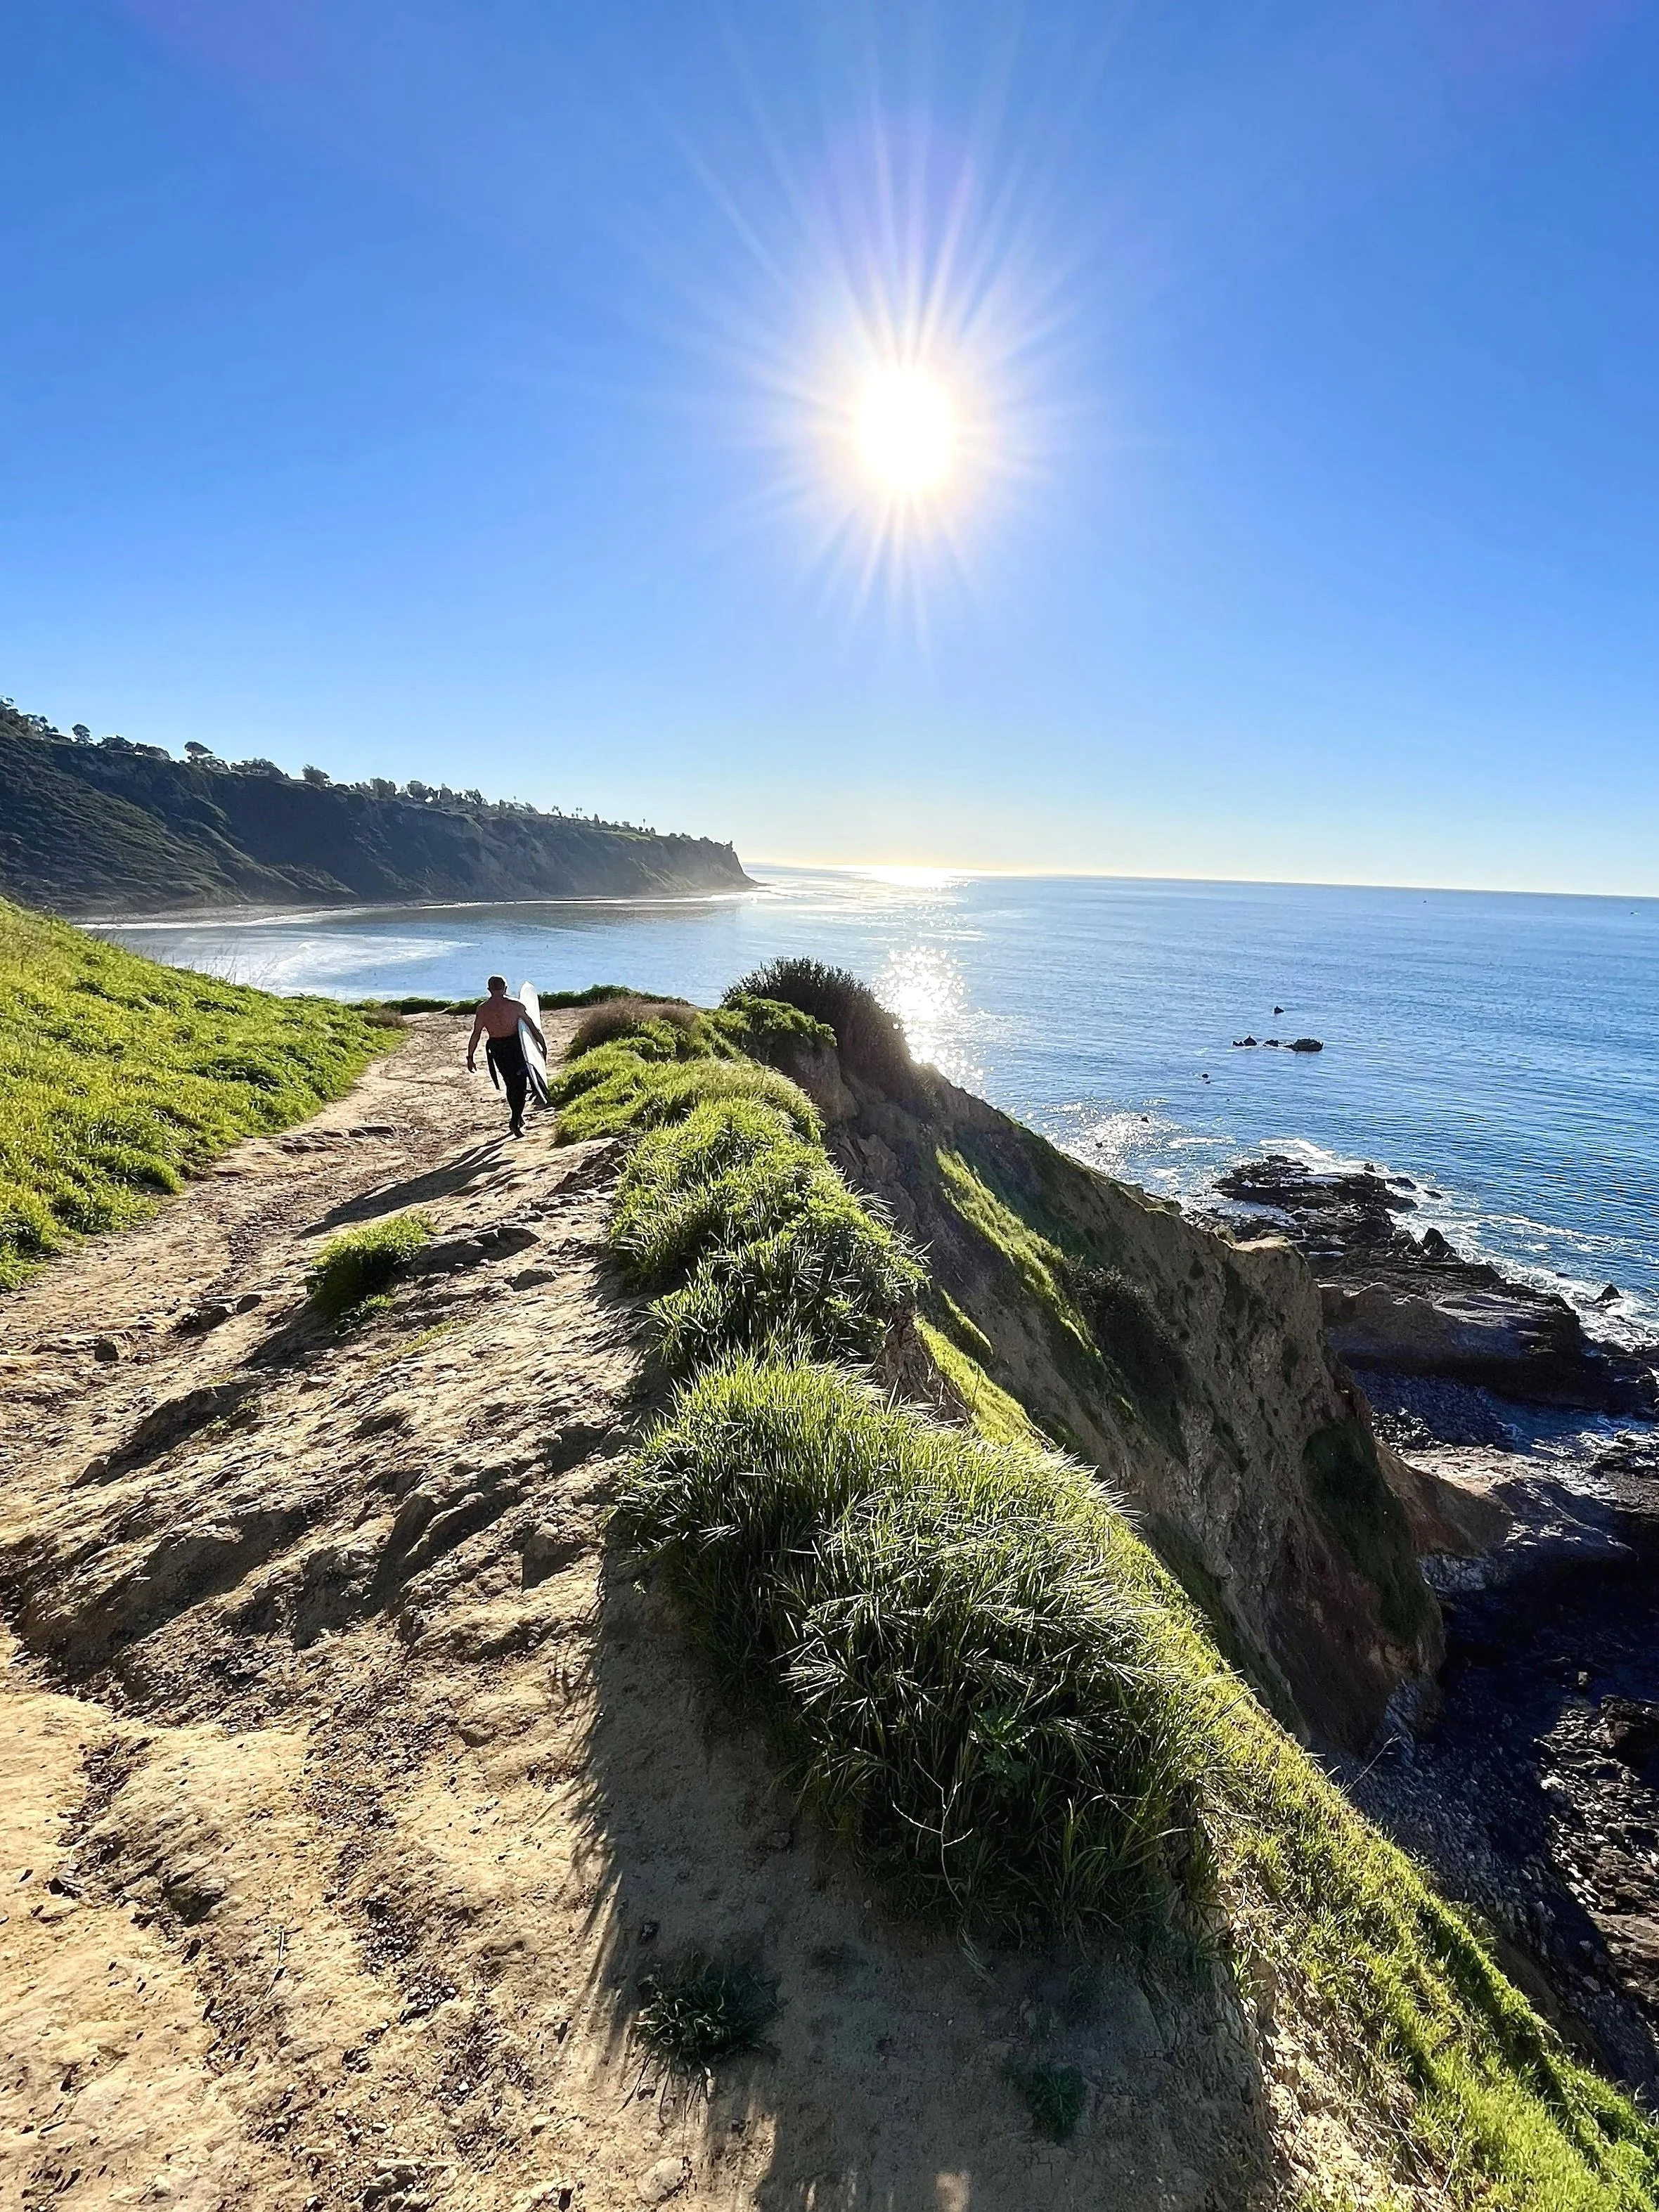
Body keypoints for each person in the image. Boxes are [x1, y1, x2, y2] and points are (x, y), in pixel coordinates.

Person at [466, 976, 546, 1137]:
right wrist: (542, 1046)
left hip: (498, 1049)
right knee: (521, 1085)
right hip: (516, 1047)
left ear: (489, 989)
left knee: (510, 1084)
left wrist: (470, 1056)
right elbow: (533, 1027)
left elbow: (476, 1035)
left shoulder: (483, 1009)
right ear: (506, 988)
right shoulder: (516, 1006)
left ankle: (517, 1117)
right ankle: (515, 1120)